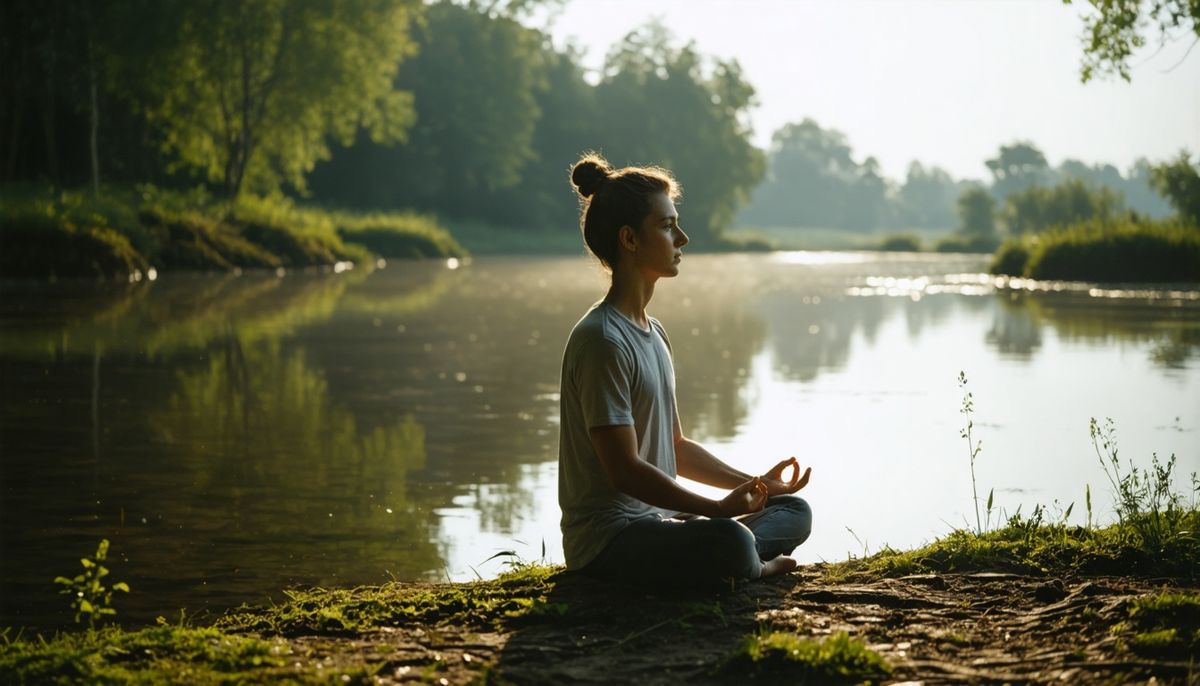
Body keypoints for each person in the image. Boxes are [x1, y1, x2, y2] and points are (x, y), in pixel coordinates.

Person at [558, 152, 813, 589]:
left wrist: (756, 484)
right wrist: (716, 511)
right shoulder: (602, 340)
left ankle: (734, 558)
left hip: (663, 524)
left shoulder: (653, 332)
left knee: (793, 512)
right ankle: (749, 564)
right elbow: (625, 471)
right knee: (730, 538)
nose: (683, 237)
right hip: (611, 541)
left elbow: (674, 448)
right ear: (630, 240)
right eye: (666, 225)